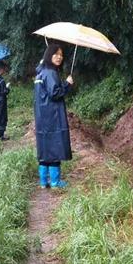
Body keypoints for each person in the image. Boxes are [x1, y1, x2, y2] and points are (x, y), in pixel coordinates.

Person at [34, 44, 74, 188]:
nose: (59, 57)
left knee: (45, 147)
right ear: (49, 55)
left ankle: (43, 181)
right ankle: (55, 182)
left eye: (61, 55)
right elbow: (55, 93)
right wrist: (67, 84)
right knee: (55, 146)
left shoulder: (40, 72)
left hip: (42, 116)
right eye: (56, 54)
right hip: (53, 116)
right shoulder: (50, 73)